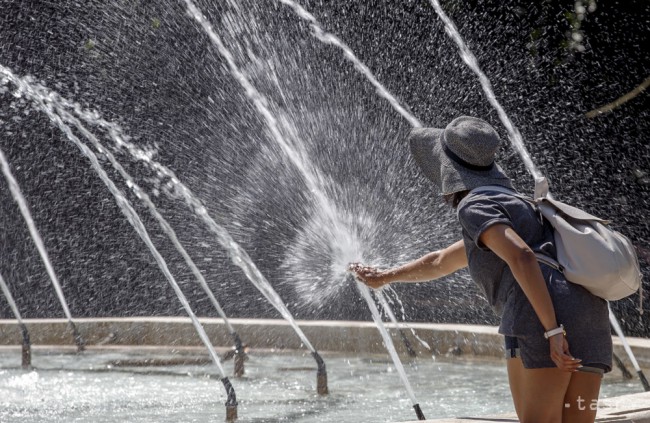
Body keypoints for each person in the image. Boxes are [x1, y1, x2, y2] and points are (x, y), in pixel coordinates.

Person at [349, 116, 612, 423]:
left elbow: (523, 258)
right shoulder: (522, 205)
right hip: (590, 318)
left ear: (449, 169)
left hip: (541, 323)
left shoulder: (475, 205)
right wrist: (386, 277)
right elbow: (442, 260)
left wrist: (552, 331)